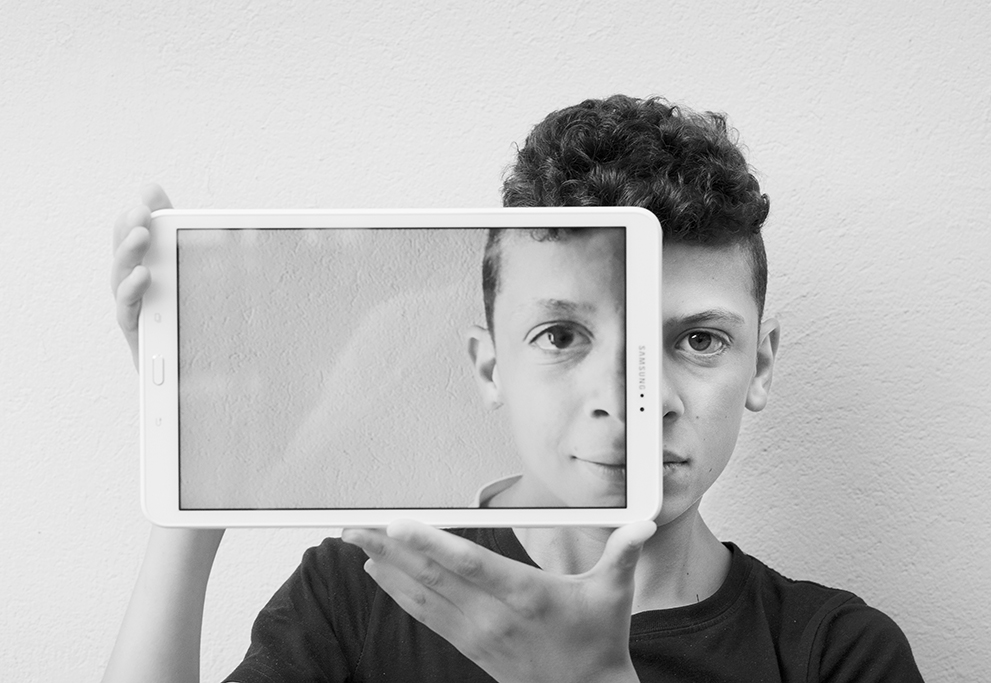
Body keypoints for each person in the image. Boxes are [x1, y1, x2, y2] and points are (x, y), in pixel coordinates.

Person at [103, 95, 924, 682]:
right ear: (490, 364)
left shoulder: (835, 654)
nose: (633, 401)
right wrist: (196, 465)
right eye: (562, 336)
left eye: (698, 340)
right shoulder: (362, 591)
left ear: (761, 365)